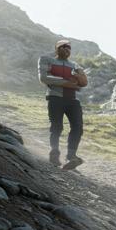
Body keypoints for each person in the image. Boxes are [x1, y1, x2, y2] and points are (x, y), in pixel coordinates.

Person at [39, 39, 87, 170]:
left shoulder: (75, 65)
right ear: (56, 49)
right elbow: (43, 78)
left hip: (73, 100)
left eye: (69, 47)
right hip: (55, 98)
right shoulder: (46, 60)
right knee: (57, 126)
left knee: (78, 127)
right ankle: (54, 153)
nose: (67, 49)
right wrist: (67, 82)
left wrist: (80, 78)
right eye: (63, 46)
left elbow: (84, 82)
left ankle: (71, 156)